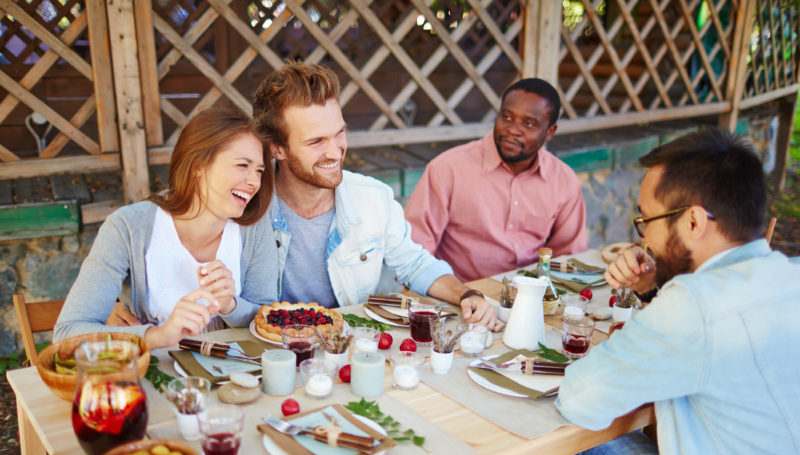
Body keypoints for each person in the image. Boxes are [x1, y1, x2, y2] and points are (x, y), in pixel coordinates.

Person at [520, 129, 800, 455]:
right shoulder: (784, 275)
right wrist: (655, 289)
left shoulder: (693, 305)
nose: (643, 238)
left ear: (693, 221)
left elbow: (580, 399)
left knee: (586, 442)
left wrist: (660, 304)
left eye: (644, 220)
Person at [251, 62, 498, 329]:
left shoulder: (373, 197)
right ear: (277, 148)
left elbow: (414, 264)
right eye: (316, 142)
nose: (335, 152)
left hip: (351, 345)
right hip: (275, 350)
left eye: (339, 133)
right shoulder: (248, 209)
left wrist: (466, 294)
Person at [54, 106, 279, 349]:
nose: (254, 182)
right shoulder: (128, 228)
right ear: (197, 165)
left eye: (259, 171)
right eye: (242, 166)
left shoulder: (253, 227)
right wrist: (157, 336)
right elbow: (68, 332)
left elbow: (267, 317)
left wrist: (230, 305)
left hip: (234, 378)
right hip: (153, 376)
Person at [405, 78, 587, 281]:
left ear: (549, 132)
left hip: (528, 295)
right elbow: (415, 253)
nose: (513, 129)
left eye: (529, 123)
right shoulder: (448, 169)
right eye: (507, 117)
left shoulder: (563, 180)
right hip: (460, 295)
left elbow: (567, 256)